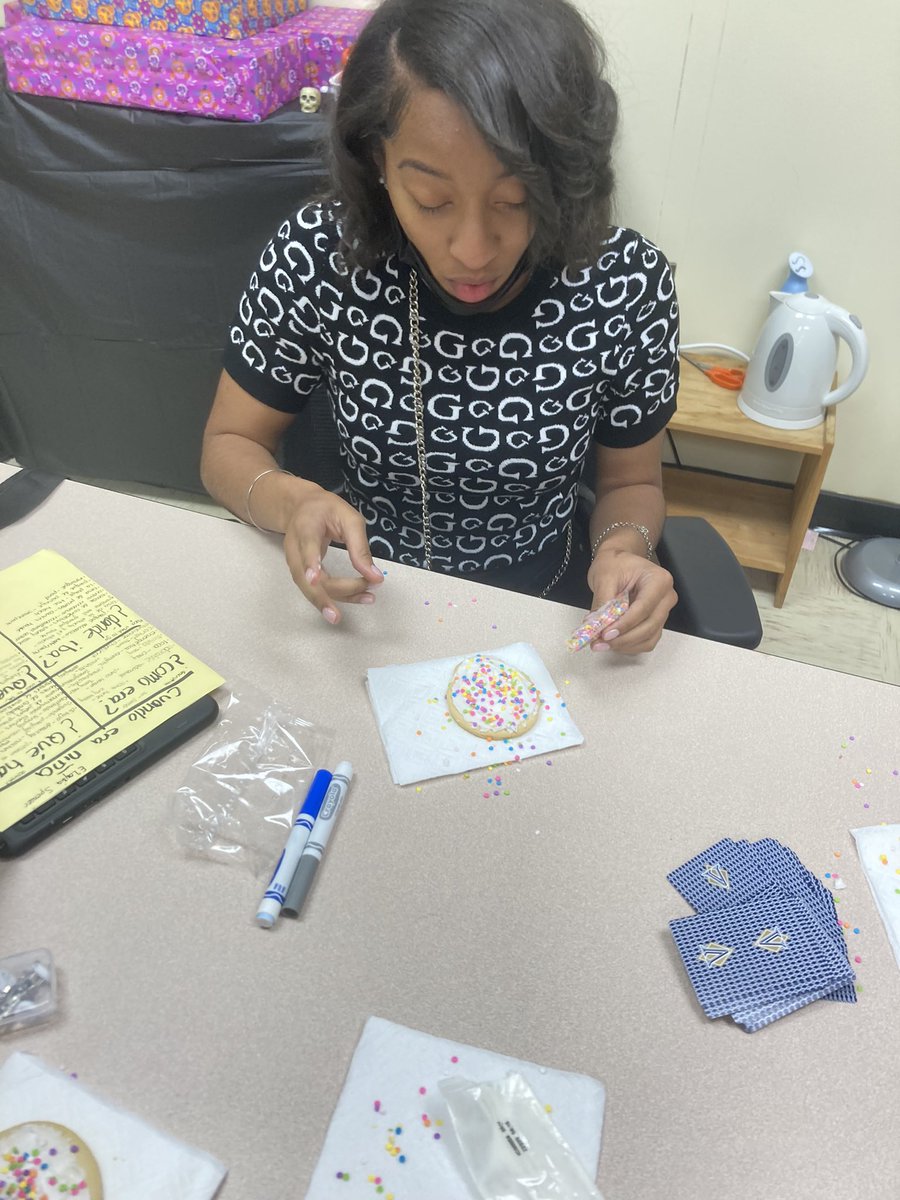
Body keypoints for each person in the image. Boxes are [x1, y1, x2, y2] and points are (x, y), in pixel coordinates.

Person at [201, 0, 679, 654]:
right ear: (376, 159)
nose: (473, 250)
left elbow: (632, 483)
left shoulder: (624, 282)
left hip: (545, 618)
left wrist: (624, 550)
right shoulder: (320, 255)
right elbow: (229, 443)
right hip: (369, 606)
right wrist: (292, 502)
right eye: (432, 201)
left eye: (515, 200)